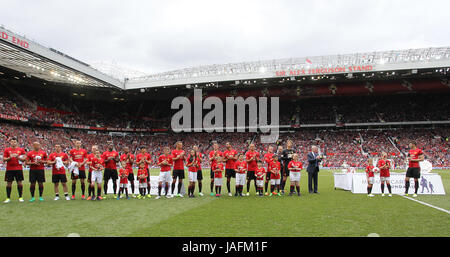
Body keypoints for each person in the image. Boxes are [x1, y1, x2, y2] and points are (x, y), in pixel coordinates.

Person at [3, 138, 26, 203]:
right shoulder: (7, 150)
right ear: (10, 143)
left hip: (18, 169)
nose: (13, 143)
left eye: (14, 142)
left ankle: (20, 197)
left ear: (17, 143)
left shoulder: (21, 150)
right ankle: (8, 198)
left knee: (19, 183)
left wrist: (17, 157)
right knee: (9, 183)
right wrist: (9, 157)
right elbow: (4, 159)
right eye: (12, 142)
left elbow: (24, 159)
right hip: (9, 169)